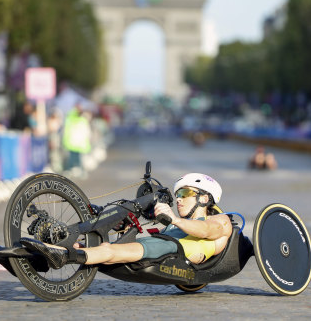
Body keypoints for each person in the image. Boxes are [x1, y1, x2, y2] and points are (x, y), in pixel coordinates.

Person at [20, 173, 233, 268]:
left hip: (170, 249)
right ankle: (39, 252)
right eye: (177, 194)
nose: (178, 198)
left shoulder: (221, 222)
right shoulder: (177, 222)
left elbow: (204, 230)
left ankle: (63, 256)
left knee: (110, 251)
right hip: (160, 244)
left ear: (204, 198)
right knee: (104, 240)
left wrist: (175, 220)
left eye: (185, 193)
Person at [62, 105, 92, 175]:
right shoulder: (83, 120)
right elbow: (87, 132)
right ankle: (81, 172)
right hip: (80, 144)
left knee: (72, 159)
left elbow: (65, 131)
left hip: (71, 143)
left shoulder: (69, 120)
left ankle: (70, 171)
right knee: (79, 159)